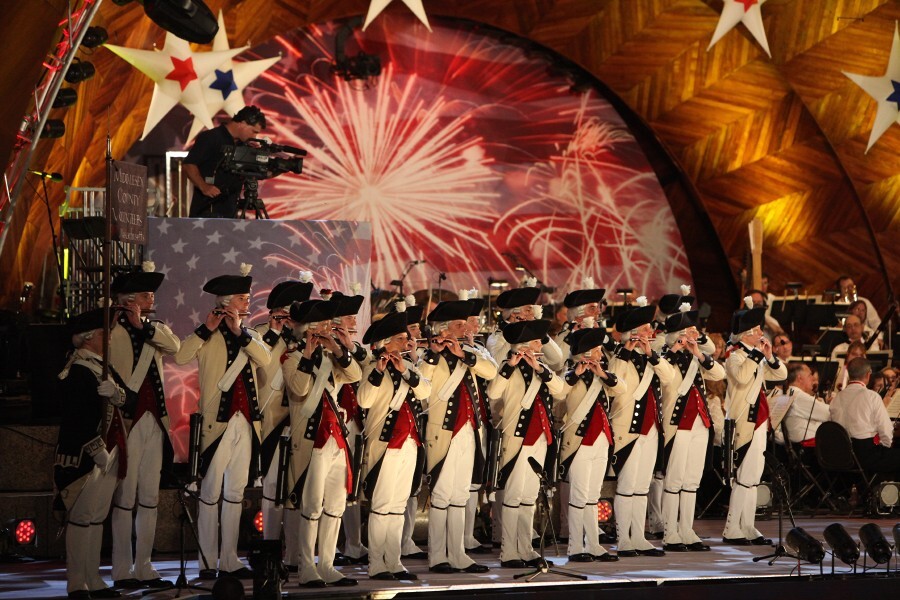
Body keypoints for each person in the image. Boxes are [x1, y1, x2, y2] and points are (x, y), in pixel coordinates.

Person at [174, 265, 271, 579]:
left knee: (235, 494)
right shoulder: (208, 334)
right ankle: (206, 563)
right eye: (243, 298)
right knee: (211, 493)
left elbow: (266, 358)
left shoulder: (249, 335)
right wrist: (205, 329)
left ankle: (229, 559)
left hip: (246, 424)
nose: (247, 303)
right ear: (227, 302)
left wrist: (241, 333)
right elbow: (180, 356)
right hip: (217, 425)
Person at [108, 267, 180, 590]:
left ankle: (145, 565)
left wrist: (143, 325)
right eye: (146, 294)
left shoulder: (154, 329)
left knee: (150, 497)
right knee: (125, 497)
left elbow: (175, 346)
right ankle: (122, 569)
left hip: (155, 420)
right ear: (129, 299)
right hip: (127, 420)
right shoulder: (111, 329)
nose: (152, 299)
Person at [283, 299, 361, 587]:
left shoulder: (332, 359)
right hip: (310, 441)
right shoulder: (292, 359)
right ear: (311, 330)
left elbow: (356, 375)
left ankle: (327, 565)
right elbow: (300, 388)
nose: (331, 328)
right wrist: (307, 353)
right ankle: (306, 567)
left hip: (336, 439)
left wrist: (338, 348)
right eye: (325, 325)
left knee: (336, 505)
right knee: (312, 505)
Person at [419, 300, 497, 574]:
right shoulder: (429, 355)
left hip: (469, 431)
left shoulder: (470, 353)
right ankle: (438, 555)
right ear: (444, 329)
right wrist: (433, 354)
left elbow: (491, 371)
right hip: (444, 433)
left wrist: (465, 355)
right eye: (459, 325)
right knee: (441, 495)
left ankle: (458, 554)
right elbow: (423, 387)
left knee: (461, 494)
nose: (465, 330)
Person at [55, 307, 126, 600]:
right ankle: (76, 583)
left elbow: (127, 398)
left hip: (112, 450)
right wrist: (96, 450)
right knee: (81, 518)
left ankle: (93, 578)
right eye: (103, 333)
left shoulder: (104, 367)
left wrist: (117, 394)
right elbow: (76, 417)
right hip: (86, 455)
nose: (108, 337)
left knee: (97, 518)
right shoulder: (77, 370)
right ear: (88, 338)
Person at [357, 311, 431, 581]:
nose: (406, 342)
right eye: (401, 339)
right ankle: (377, 563)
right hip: (385, 445)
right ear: (386, 342)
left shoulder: (408, 367)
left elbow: (425, 392)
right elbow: (364, 400)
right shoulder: (371, 367)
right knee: (381, 505)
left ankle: (394, 560)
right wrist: (379, 370)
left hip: (409, 443)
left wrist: (405, 370)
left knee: (398, 506)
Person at [487, 319, 565, 568]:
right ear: (524, 345)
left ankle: (526, 548)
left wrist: (540, 369)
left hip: (540, 438)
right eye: (535, 341)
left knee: (529, 497)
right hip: (517, 438)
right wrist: (510, 366)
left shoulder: (540, 367)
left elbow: (561, 390)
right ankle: (509, 551)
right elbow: (493, 392)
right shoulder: (507, 366)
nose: (539, 345)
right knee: (513, 495)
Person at [607, 298, 676, 557]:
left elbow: (668, 377)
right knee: (627, 485)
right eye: (647, 329)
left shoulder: (651, 357)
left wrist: (650, 354)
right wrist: (627, 350)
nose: (652, 333)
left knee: (642, 486)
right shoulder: (619, 356)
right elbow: (615, 382)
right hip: (629, 429)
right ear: (635, 332)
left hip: (651, 429)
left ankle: (639, 536)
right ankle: (624, 538)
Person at [255, 275, 313, 575]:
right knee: (273, 489)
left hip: (300, 423)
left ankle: (292, 554)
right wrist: (276, 333)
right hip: (272, 421)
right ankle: (270, 552)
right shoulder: (261, 335)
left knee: (295, 490)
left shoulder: (302, 340)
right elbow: (261, 367)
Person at [659, 308, 725, 553]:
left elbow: (719, 373)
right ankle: (670, 532)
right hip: (678, 425)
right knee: (674, 479)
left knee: (691, 480)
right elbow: (664, 378)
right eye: (687, 333)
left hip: (700, 423)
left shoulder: (695, 357)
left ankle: (686, 529)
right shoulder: (665, 357)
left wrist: (697, 351)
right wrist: (676, 349)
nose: (691, 336)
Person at [721, 297, 786, 546]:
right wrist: (757, 355)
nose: (761, 333)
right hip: (742, 423)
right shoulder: (735, 356)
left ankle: (747, 526)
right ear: (746, 335)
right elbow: (742, 376)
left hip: (759, 421)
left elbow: (781, 374)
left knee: (753, 478)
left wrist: (768, 356)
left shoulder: (756, 355)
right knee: (742, 477)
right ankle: (731, 529)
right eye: (757, 330)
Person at [558, 328, 625, 562]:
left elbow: (620, 388)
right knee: (579, 495)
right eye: (597, 350)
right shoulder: (569, 372)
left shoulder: (601, 374)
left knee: (593, 496)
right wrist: (577, 372)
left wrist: (603, 374)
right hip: (579, 442)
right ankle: (575, 547)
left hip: (601, 440)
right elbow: (559, 391)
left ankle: (593, 544)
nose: (600, 354)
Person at [184, 106, 267, 218]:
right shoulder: (211, 137)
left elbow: (257, 173)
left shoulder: (244, 145)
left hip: (231, 213)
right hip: (206, 211)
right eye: (253, 132)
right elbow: (189, 164)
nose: (254, 136)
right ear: (242, 123)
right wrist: (203, 186)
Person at [830, 357, 900, 477]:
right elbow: (886, 431)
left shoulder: (837, 398)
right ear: (868, 375)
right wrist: (885, 449)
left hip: (841, 456)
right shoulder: (872, 396)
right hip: (866, 456)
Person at [771, 363, 830, 448]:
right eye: (810, 375)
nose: (813, 379)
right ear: (800, 378)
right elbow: (829, 413)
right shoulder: (797, 395)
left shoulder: (786, 394)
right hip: (809, 449)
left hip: (800, 447)